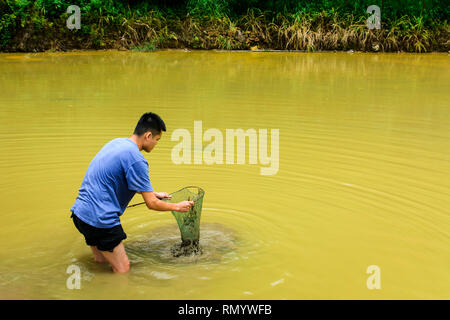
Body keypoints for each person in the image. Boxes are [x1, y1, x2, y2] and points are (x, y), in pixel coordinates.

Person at [70, 112, 194, 273]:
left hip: (81, 215)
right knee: (123, 269)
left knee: (100, 262)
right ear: (148, 135)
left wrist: (152, 193)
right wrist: (177, 206)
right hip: (101, 220)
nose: (156, 144)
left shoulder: (116, 143)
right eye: (157, 140)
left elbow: (114, 179)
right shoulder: (137, 159)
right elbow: (152, 204)